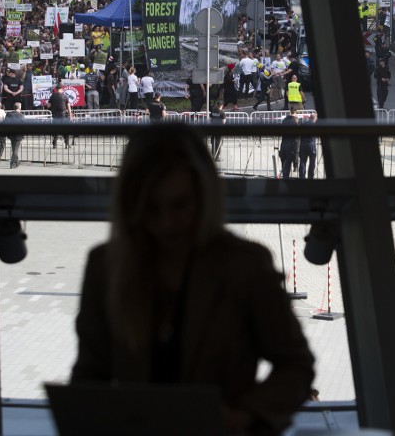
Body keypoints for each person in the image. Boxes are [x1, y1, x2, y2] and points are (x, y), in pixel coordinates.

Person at [70, 124, 314, 434]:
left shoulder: (246, 266)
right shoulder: (103, 267)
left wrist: (245, 416)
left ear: (205, 196)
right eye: (151, 208)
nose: (166, 224)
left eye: (179, 205)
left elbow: (295, 366)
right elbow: (90, 374)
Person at [47, 82, 72, 148]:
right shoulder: (64, 96)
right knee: (65, 130)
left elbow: (48, 105)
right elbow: (68, 106)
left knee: (55, 130)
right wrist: (70, 115)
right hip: (63, 115)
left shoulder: (53, 96)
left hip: (55, 115)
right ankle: (67, 144)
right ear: (61, 89)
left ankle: (54, 144)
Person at [278, 110, 300, 179]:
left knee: (284, 162)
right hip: (291, 145)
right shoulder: (295, 121)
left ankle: (285, 176)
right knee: (288, 163)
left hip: (284, 144)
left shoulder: (284, 120)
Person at [5, 102, 25, 169]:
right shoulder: (21, 116)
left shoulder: (9, 115)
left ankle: (16, 162)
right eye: (21, 106)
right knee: (15, 150)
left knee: (14, 149)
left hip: (11, 134)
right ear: (19, 107)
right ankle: (13, 164)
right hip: (18, 135)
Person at [298, 113, 318, 179]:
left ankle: (302, 177)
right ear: (315, 118)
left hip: (303, 144)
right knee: (312, 162)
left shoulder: (303, 124)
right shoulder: (315, 125)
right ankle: (310, 177)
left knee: (302, 161)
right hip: (311, 144)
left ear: (309, 118)